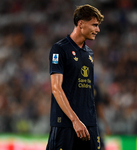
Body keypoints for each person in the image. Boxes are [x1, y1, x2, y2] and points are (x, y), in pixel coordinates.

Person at [46, 4, 104, 150]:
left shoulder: (89, 53)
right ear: (81, 23)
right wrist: (75, 120)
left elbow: (87, 92)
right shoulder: (59, 49)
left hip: (89, 125)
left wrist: (92, 124)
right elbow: (56, 88)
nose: (98, 29)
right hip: (65, 125)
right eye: (94, 25)